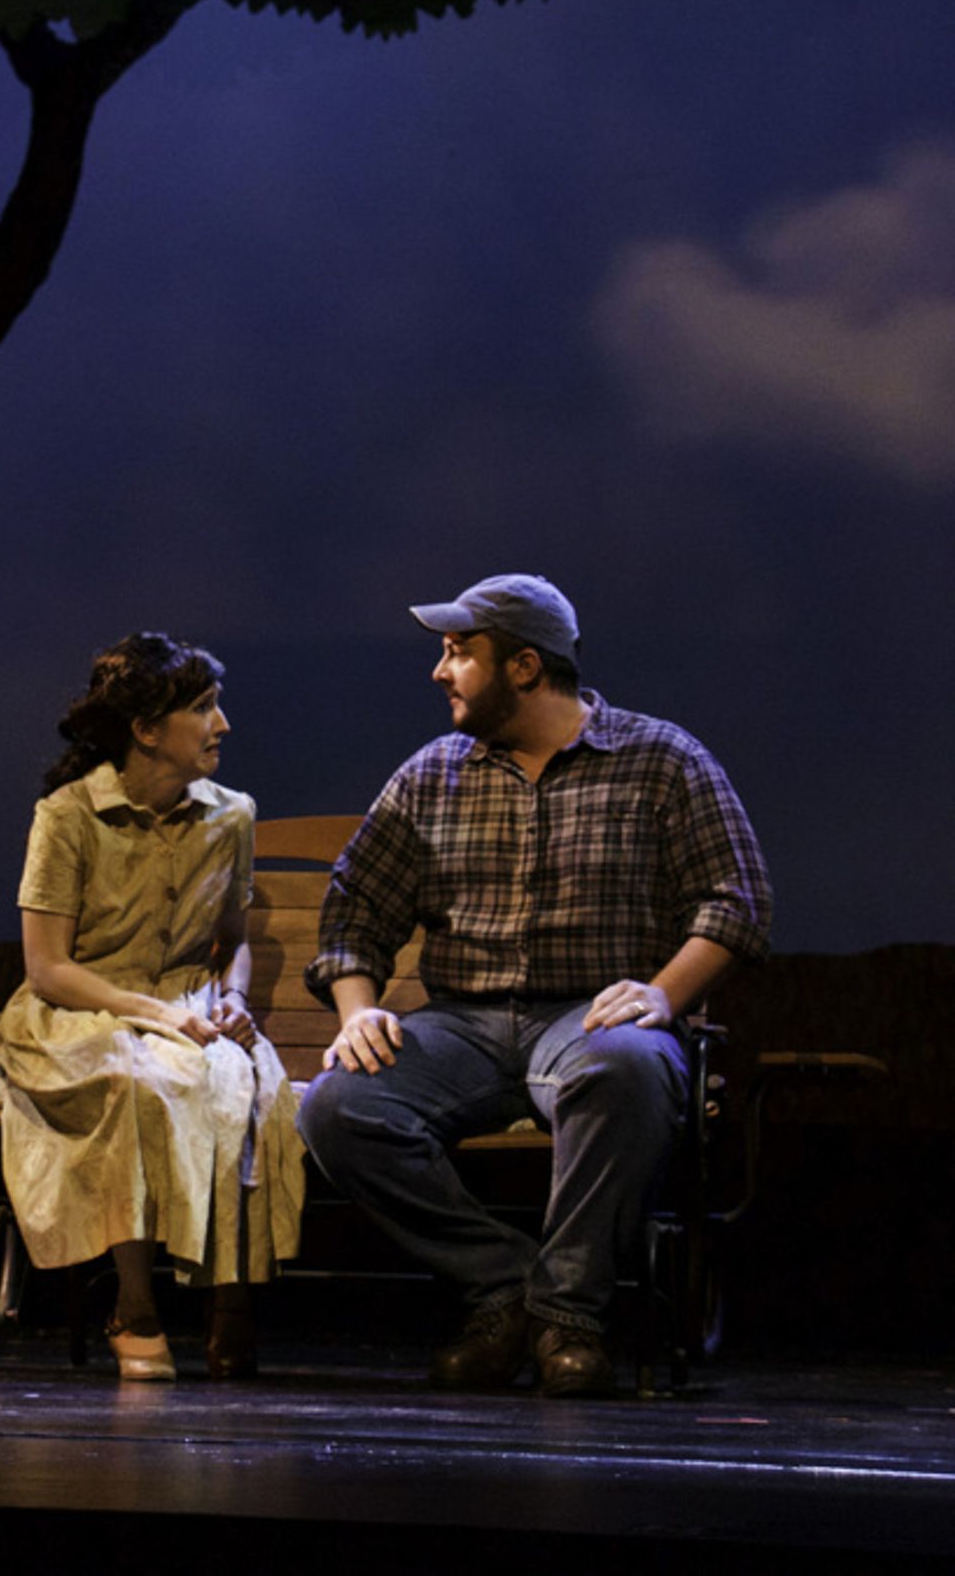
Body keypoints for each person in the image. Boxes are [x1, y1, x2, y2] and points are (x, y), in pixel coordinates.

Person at [296, 573, 770, 1397]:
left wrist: (664, 994)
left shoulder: (661, 760)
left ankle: (570, 1317)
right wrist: (357, 1010)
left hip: (590, 1016)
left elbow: (738, 898)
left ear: (523, 666)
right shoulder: (432, 775)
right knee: (338, 1106)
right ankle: (509, 1287)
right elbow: (352, 912)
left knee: (625, 1065)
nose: (440, 673)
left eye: (457, 654)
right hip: (463, 1028)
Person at [0, 632, 303, 1380]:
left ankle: (230, 1301)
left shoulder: (230, 817)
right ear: (146, 730)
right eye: (203, 708)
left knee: (245, 1090)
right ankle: (134, 1304)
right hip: (80, 1010)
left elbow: (232, 942)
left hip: (189, 1006)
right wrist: (159, 1015)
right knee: (139, 1084)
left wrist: (229, 999)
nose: (222, 724)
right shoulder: (69, 816)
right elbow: (49, 969)